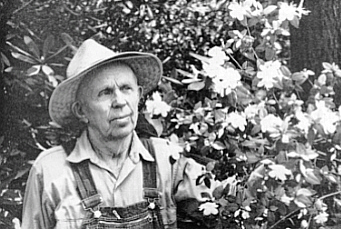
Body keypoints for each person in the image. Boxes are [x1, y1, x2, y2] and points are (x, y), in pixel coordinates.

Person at [21, 39, 216, 229]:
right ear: (81, 111)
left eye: (126, 89)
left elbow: (223, 204)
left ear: (139, 95)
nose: (120, 101)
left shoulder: (167, 160)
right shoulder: (50, 171)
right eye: (105, 92)